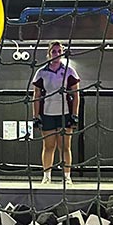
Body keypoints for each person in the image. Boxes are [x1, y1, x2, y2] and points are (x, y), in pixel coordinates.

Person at [32, 41, 80, 184]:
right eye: (54, 51)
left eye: (59, 51)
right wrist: (36, 116)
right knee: (49, 146)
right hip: (47, 114)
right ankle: (47, 176)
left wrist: (75, 114)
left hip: (64, 113)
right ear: (49, 53)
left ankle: (67, 177)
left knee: (65, 146)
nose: (57, 54)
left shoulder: (69, 71)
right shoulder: (41, 72)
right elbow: (36, 95)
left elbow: (76, 94)